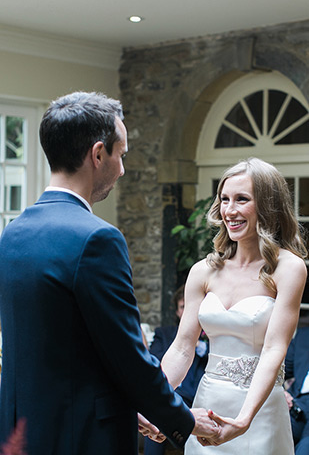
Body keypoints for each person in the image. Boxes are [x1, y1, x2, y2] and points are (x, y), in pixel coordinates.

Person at [0, 92, 220, 455]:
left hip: (20, 436)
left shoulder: (12, 234)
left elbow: (61, 351)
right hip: (83, 439)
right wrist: (183, 418)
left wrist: (134, 409)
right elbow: (127, 355)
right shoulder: (97, 238)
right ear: (98, 154)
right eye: (121, 155)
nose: (121, 168)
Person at [159, 157, 307, 454]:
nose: (229, 210)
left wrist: (244, 419)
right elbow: (183, 347)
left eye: (242, 199)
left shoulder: (288, 268)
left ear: (267, 205)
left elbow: (274, 349)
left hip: (260, 411)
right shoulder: (203, 270)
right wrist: (155, 404)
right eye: (225, 199)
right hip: (208, 408)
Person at [144, 286, 209, 455]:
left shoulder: (209, 336)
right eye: (182, 307)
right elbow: (153, 358)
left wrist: (201, 347)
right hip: (172, 391)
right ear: (177, 311)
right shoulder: (164, 333)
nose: (187, 310)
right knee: (158, 414)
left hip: (195, 395)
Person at [285, 325, 309, 454]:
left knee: (305, 447)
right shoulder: (304, 335)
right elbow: (279, 371)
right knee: (273, 434)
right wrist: (280, 392)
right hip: (296, 402)